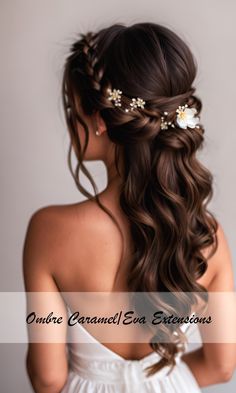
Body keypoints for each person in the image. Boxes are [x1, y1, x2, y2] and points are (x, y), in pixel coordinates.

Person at [23, 22, 235, 393]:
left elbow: (47, 377)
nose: (71, 121)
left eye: (74, 109)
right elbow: (223, 365)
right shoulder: (206, 235)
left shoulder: (49, 230)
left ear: (101, 120)